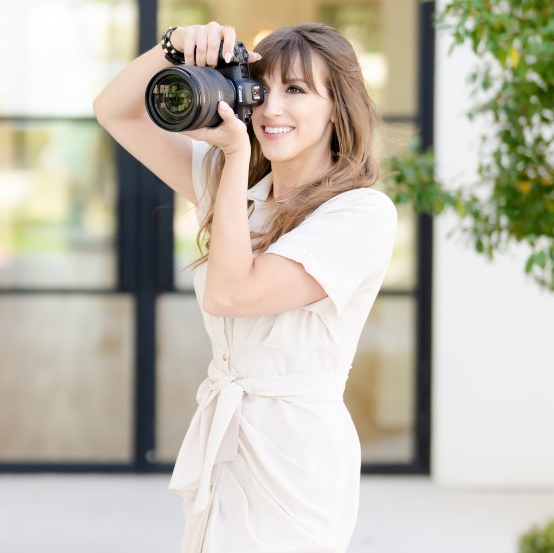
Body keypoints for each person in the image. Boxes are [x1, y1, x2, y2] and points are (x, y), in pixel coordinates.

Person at [94, 21, 397, 553]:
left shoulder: (361, 214)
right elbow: (114, 110)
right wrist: (175, 46)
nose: (271, 109)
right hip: (226, 444)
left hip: (294, 456)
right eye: (262, 89)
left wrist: (234, 158)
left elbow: (231, 295)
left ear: (338, 108)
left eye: (297, 90)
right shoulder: (237, 190)